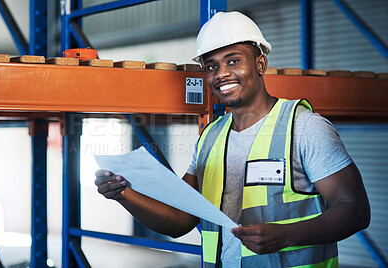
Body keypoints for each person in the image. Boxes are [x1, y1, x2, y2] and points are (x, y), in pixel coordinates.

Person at [95, 11, 370, 267]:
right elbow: (180, 220)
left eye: (233, 60)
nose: (221, 74)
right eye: (211, 66)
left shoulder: (304, 127)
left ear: (260, 63)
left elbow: (355, 210)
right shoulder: (210, 137)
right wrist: (123, 194)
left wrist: (286, 235)